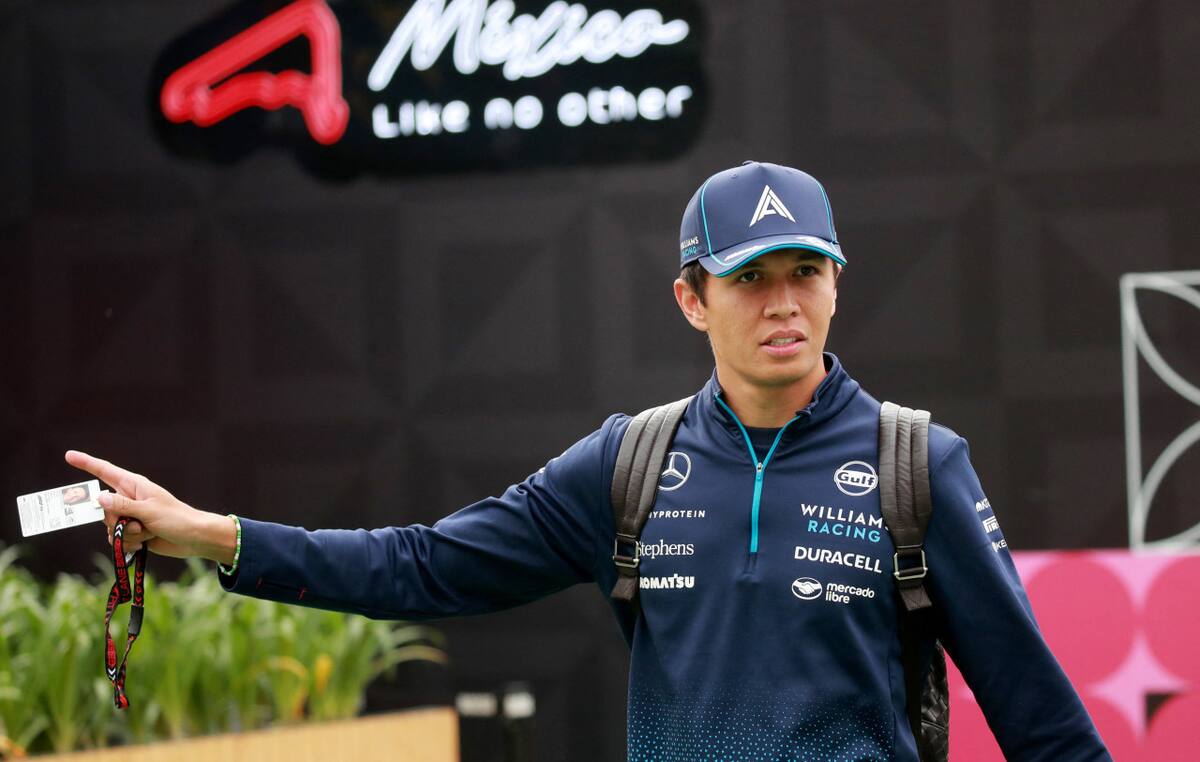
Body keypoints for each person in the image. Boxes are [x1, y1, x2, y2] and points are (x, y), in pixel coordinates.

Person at [67, 161, 1110, 761]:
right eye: (750, 280)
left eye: (806, 272)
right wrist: (209, 535)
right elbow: (425, 566)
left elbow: (1040, 718)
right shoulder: (632, 463)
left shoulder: (916, 463)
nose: (783, 303)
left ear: (838, 285)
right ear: (693, 300)